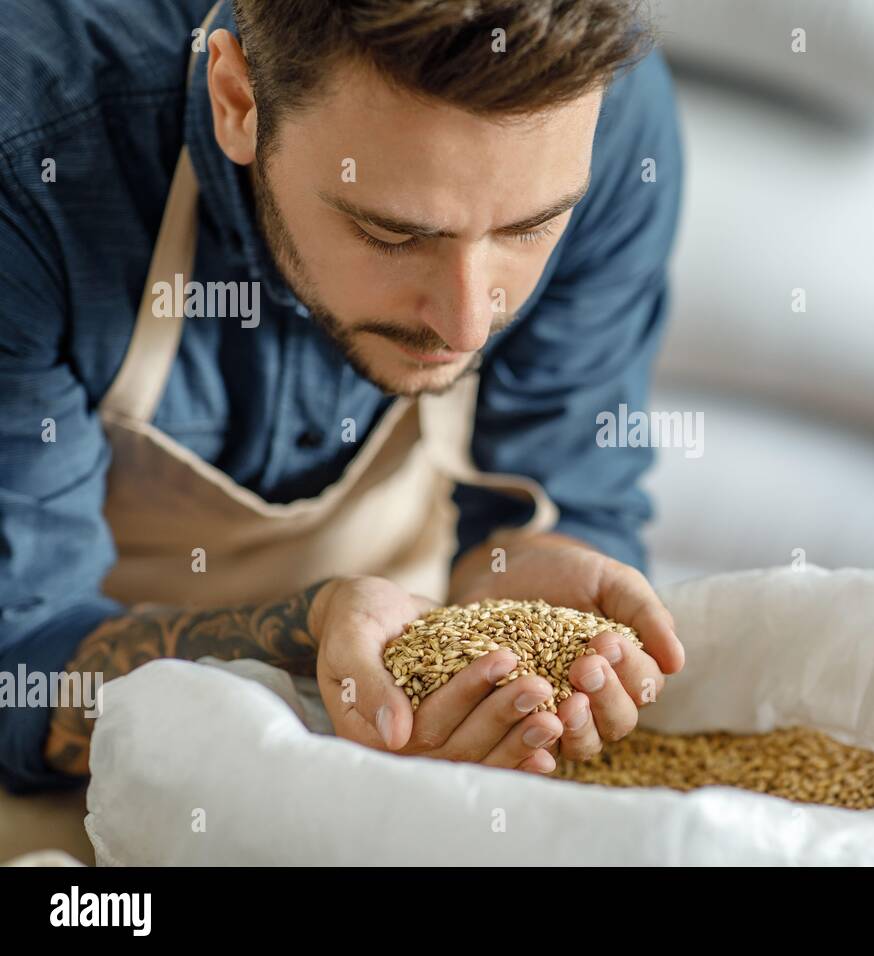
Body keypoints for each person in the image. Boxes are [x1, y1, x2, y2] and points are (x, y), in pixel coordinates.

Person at [0, 0, 686, 793]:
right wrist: (304, 639)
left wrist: (535, 561)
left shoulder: (611, 110)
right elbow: (19, 657)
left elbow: (575, 488)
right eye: (394, 234)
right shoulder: (33, 156)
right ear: (239, 102)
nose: (468, 324)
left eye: (529, 228)